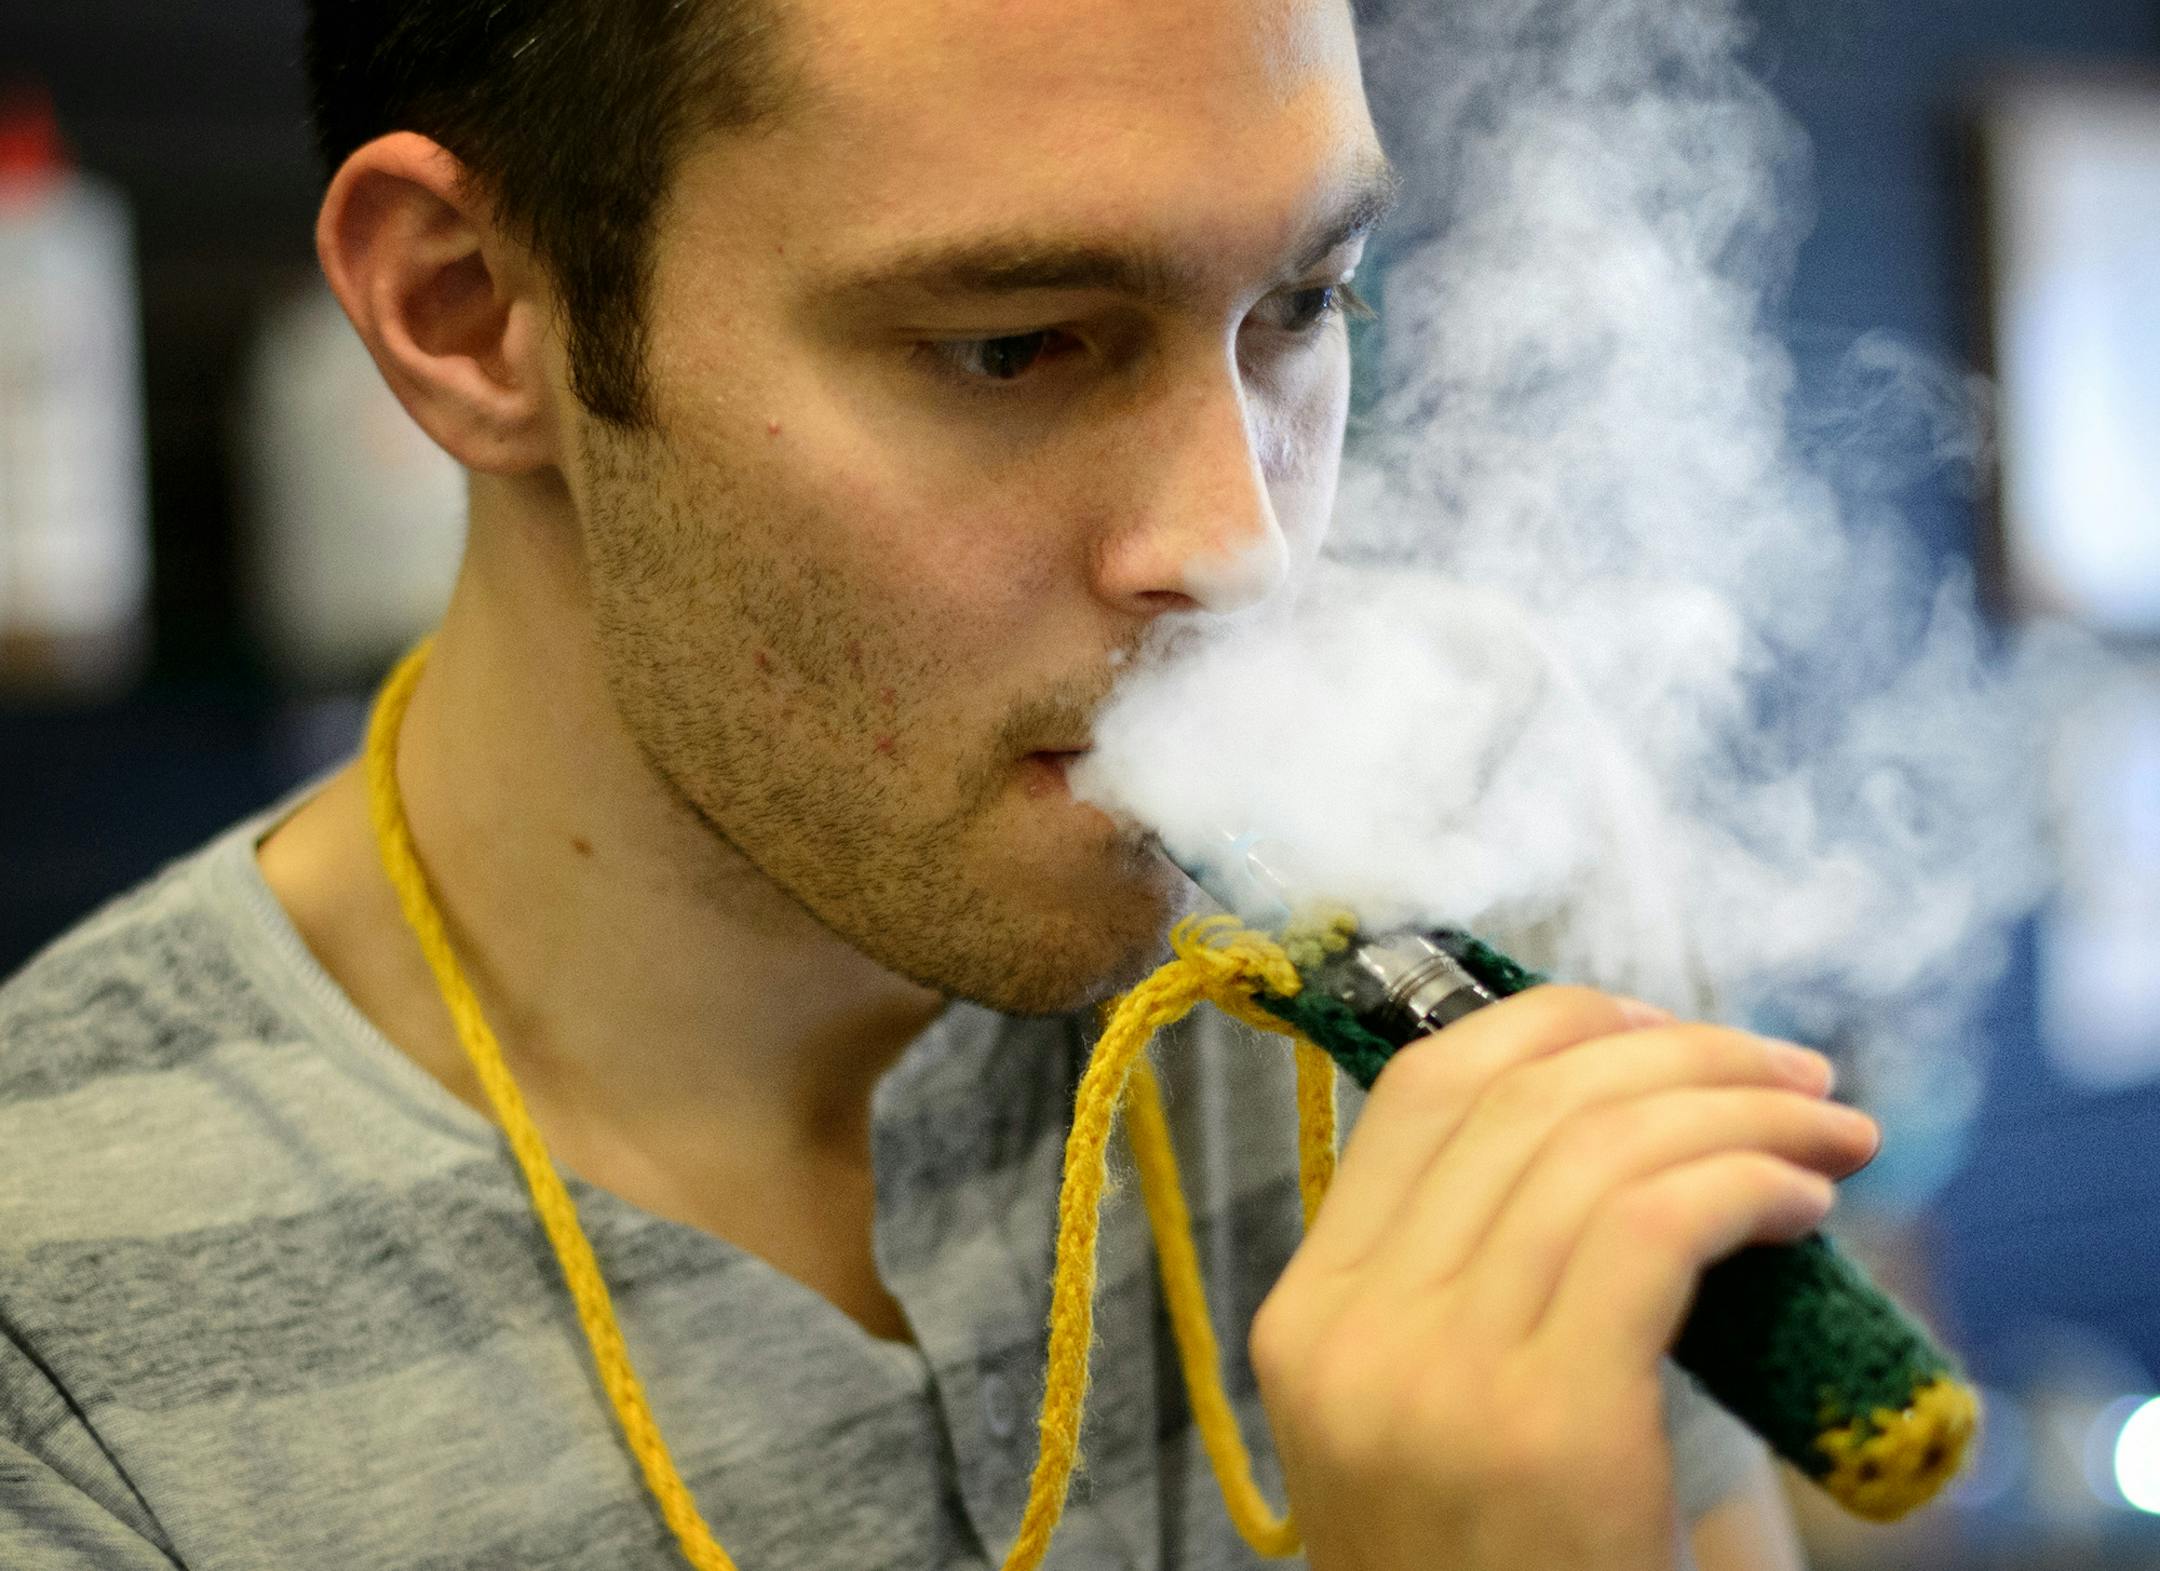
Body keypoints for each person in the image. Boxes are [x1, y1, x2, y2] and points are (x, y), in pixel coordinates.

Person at [0, 0, 1881, 1566]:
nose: (1243, 553)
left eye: (1303, 305)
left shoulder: (1477, 789)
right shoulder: (56, 1329)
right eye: (1011, 344)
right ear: (474, 308)